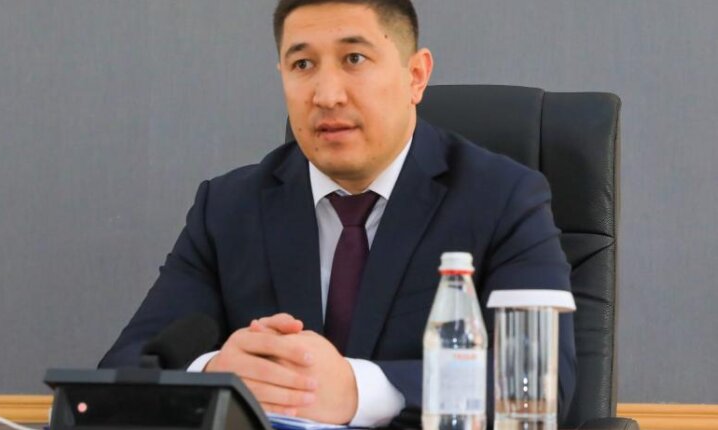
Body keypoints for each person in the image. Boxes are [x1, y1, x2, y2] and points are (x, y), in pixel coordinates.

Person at [100, 0, 576, 427]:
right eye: (303, 64)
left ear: (416, 76)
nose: (326, 95)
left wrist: (357, 390)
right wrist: (215, 373)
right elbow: (121, 372)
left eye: (354, 59)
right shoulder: (228, 208)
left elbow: (538, 384)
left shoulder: (503, 198)